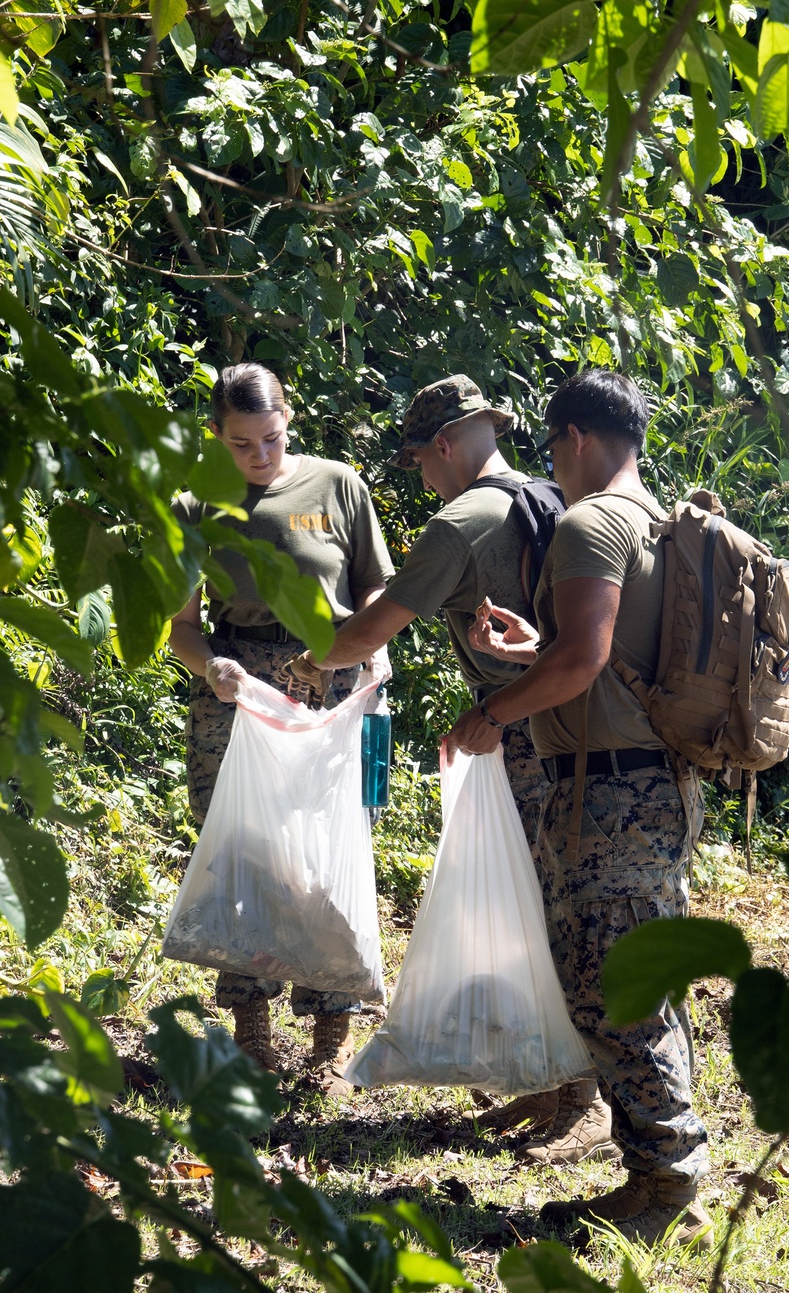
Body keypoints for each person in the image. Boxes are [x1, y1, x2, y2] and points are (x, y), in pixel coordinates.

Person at [446, 369, 711, 1250]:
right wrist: (537, 648)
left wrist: (489, 713)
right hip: (656, 785)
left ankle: (667, 1179)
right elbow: (593, 649)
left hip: (613, 795)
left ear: (576, 439)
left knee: (613, 987)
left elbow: (584, 661)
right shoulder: (659, 524)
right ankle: (666, 1164)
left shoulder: (590, 521)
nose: (553, 464)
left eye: (554, 447)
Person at [288, 375, 564, 1137]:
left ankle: (581, 1093)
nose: (423, 477)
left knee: (553, 916)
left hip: (531, 743)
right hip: (557, 728)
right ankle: (563, 1082)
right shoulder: (545, 498)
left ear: (442, 446)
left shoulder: (461, 521)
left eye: (419, 462)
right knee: (548, 910)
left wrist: (316, 661)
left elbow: (371, 630)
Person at [168, 363, 393, 1094]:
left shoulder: (336, 485)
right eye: (240, 445)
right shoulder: (197, 503)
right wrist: (213, 671)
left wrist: (365, 662)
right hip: (239, 692)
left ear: (289, 417)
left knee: (325, 857)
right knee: (244, 855)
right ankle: (253, 1033)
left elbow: (377, 592)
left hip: (327, 679)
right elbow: (182, 628)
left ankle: (331, 1041)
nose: (259, 457)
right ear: (216, 437)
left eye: (269, 438)